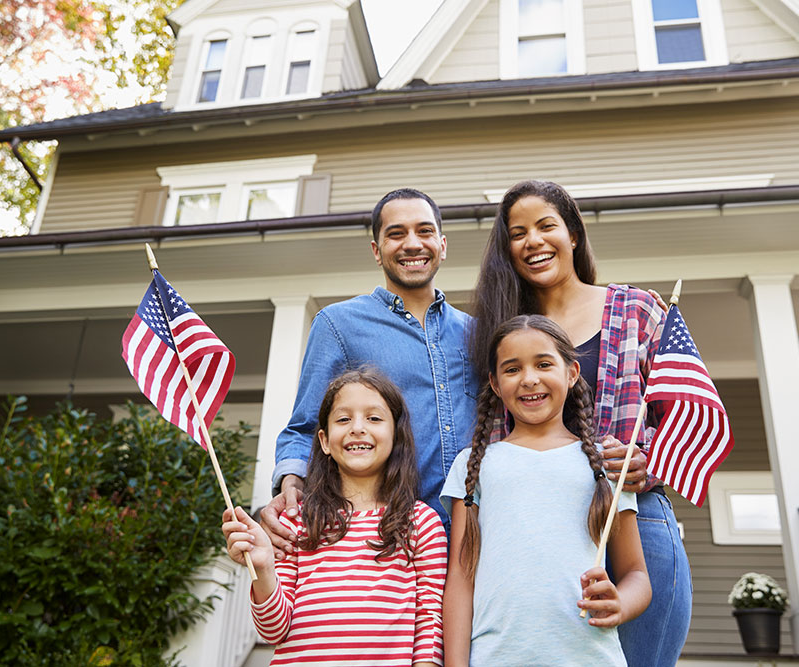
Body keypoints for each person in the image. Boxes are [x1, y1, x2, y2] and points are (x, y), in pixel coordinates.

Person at [466, 180, 692, 667]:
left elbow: (682, 418)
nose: (533, 240)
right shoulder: (502, 328)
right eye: (517, 232)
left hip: (634, 520)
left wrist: (644, 457)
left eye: (546, 225)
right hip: (535, 535)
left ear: (573, 233)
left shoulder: (637, 310)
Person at [260, 188, 476, 557]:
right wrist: (290, 483)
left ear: (442, 244)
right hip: (388, 542)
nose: (412, 244)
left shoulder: (476, 333)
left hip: (475, 538)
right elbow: (305, 426)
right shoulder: (338, 325)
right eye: (396, 234)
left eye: (424, 232)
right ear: (377, 251)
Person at [441, 315, 650, 665]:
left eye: (543, 364)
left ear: (571, 373)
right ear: (494, 383)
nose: (529, 379)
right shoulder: (472, 465)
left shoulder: (605, 463)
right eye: (512, 369)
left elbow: (637, 575)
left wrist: (620, 602)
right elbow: (461, 582)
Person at [222, 368, 448, 667]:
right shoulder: (296, 522)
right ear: (325, 441)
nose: (357, 428)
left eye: (374, 418)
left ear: (396, 436)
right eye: (343, 419)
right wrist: (263, 569)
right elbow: (273, 630)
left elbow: (430, 626)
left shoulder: (422, 522)